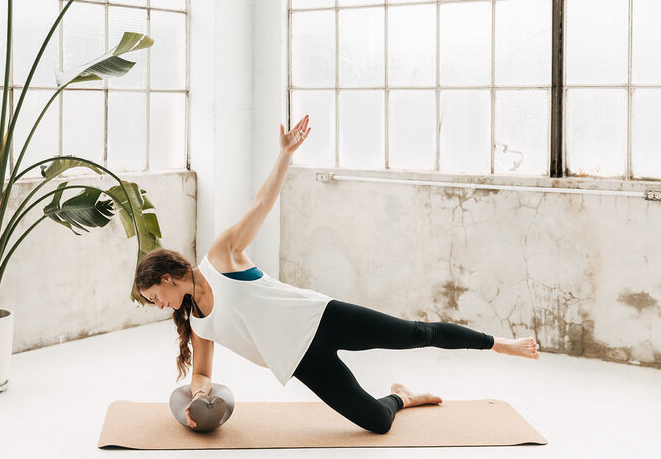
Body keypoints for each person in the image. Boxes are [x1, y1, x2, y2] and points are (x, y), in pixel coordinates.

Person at [135, 114, 540, 434]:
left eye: (154, 295)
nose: (159, 305)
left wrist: (285, 155)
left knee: (416, 334)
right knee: (377, 423)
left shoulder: (222, 256)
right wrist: (200, 397)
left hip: (322, 318)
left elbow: (261, 203)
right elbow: (202, 373)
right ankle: (403, 397)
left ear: (167, 277)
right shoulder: (198, 321)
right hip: (301, 361)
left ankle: (500, 344)